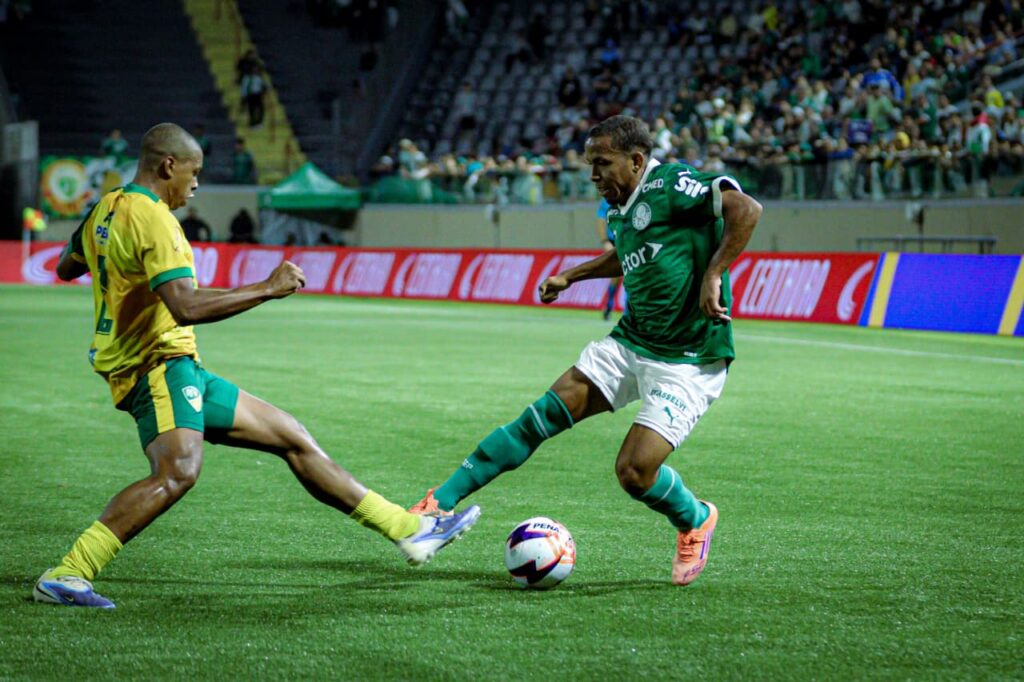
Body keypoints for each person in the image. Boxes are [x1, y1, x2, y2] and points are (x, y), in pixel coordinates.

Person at [35, 123, 480, 609]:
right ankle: (70, 571)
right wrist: (267, 288)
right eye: (194, 171)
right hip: (157, 366)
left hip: (175, 367)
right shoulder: (156, 220)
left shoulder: (109, 204)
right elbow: (185, 306)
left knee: (290, 435)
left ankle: (409, 530)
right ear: (168, 166)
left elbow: (65, 265)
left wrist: (116, 270)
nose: (197, 183)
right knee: (177, 471)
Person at [410, 115, 762, 586]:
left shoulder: (672, 183)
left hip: (688, 359)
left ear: (637, 161)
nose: (593, 175)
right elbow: (627, 252)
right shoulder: (621, 206)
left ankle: (695, 518)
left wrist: (714, 272)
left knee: (634, 472)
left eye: (602, 163)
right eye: (589, 164)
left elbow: (746, 209)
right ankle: (437, 505)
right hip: (630, 341)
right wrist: (571, 276)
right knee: (538, 418)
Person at [594, 197, 621, 321]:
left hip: (628, 239)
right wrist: (605, 241)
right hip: (613, 241)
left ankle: (629, 312)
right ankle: (609, 304)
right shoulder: (608, 200)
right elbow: (600, 220)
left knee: (629, 274)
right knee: (617, 275)